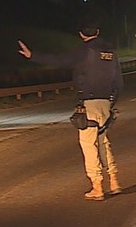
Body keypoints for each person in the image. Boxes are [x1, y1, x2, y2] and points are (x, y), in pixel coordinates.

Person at [17, 17, 124, 200]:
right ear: (97, 32)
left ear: (81, 34)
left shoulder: (83, 51)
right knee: (103, 142)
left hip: (88, 103)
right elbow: (119, 82)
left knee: (89, 144)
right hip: (106, 103)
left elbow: (59, 60)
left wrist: (32, 55)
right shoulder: (111, 52)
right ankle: (114, 181)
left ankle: (97, 186)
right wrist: (111, 104)